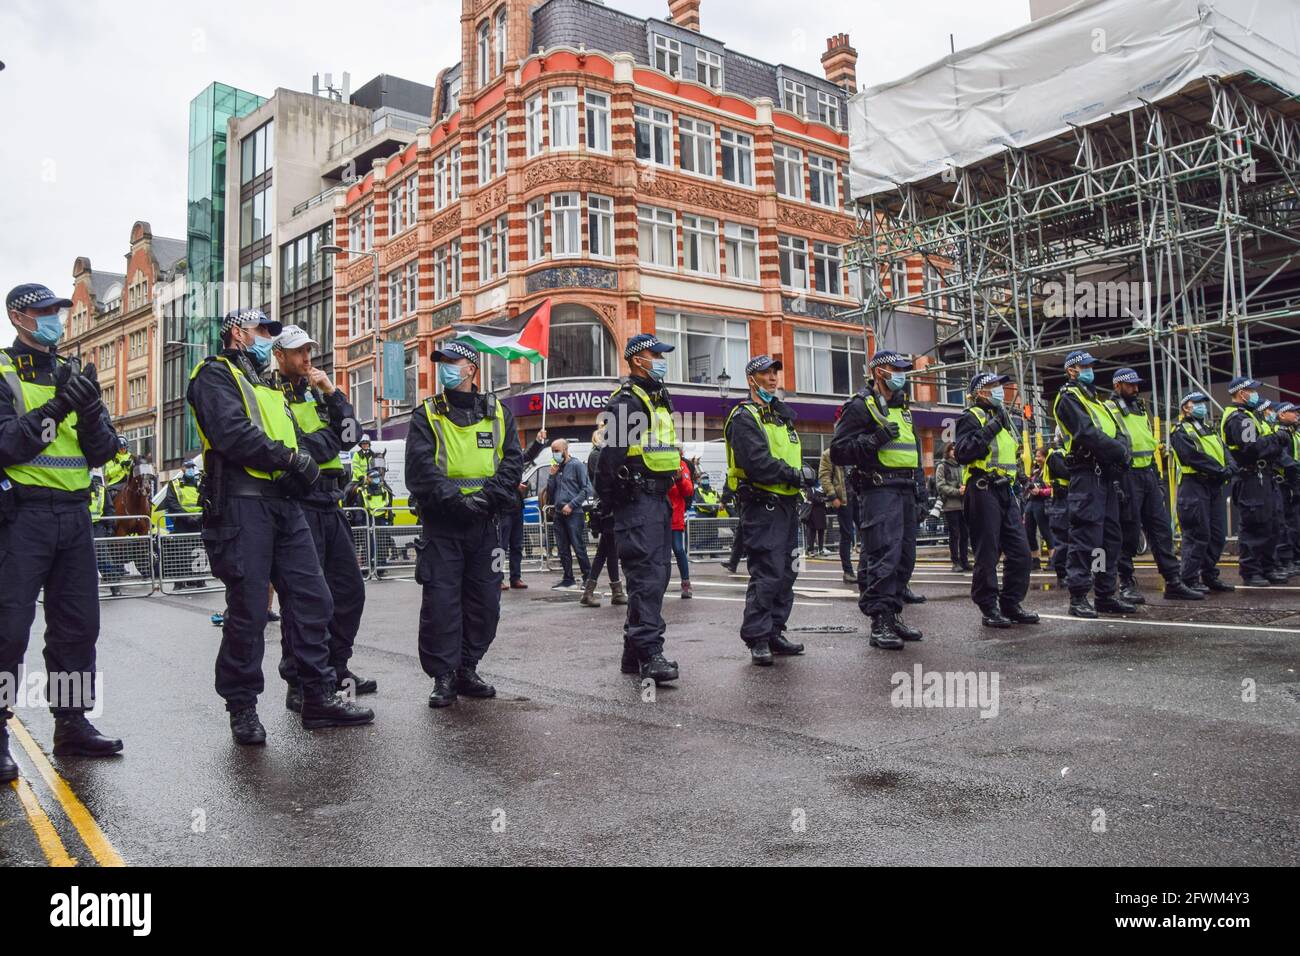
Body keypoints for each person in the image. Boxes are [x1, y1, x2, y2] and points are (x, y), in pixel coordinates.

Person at [188, 308, 373, 744]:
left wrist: (297, 461)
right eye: (263, 332)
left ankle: (318, 695)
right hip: (242, 502)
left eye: (275, 333)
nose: (269, 339)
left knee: (315, 599)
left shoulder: (265, 384)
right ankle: (243, 707)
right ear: (237, 333)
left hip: (286, 502)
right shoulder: (214, 374)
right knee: (250, 612)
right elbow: (232, 433)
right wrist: (293, 460)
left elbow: (332, 435)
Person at [1, 283, 125, 776]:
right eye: (45, 311)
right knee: (7, 630)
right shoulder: (3, 372)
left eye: (59, 311)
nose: (56, 318)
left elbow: (102, 451)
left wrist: (90, 407)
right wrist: (57, 408)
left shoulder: (73, 373)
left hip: (74, 516)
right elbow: (8, 442)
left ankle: (71, 724)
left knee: (77, 630)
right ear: (18, 318)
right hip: (22, 517)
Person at [406, 338, 523, 708]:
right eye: (441, 362)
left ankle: (467, 667)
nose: (445, 367)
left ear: (471, 368)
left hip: (486, 526)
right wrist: (457, 502)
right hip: (443, 525)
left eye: (452, 361)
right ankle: (443, 676)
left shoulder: (500, 413)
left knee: (485, 602)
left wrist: (487, 499)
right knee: (441, 602)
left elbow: (511, 464)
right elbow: (421, 470)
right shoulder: (427, 414)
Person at [268, 325, 375, 712]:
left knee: (349, 592)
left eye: (309, 350)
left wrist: (334, 394)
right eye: (298, 351)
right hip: (299, 501)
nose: (307, 357)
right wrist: (332, 436)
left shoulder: (316, 391)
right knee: (305, 600)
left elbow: (350, 434)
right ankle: (300, 681)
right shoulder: (271, 393)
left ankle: (335, 669)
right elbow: (302, 445)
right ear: (279, 355)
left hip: (330, 501)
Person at [592, 333, 682, 684]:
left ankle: (634, 652)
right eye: (653, 354)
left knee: (654, 576)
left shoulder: (656, 399)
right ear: (635, 359)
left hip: (656, 499)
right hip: (637, 501)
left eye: (661, 354)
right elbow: (610, 459)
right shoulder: (629, 401)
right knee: (647, 577)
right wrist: (611, 500)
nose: (660, 359)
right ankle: (649, 654)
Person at [830, 350, 926, 650]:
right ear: (878, 372)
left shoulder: (904, 407)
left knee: (905, 557)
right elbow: (838, 451)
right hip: (879, 489)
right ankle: (880, 621)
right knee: (884, 555)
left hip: (905, 488)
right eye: (895, 368)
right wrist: (874, 440)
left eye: (903, 368)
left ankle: (894, 613)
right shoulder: (860, 406)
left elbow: (914, 453)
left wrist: (921, 491)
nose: (901, 373)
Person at [724, 355, 814, 664]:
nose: (773, 378)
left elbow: (788, 455)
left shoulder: (781, 416)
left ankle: (775, 630)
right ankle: (758, 637)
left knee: (787, 572)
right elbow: (757, 463)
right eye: (766, 373)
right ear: (752, 379)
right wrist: (795, 475)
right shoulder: (744, 416)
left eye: (776, 371)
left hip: (787, 505)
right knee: (767, 572)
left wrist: (803, 478)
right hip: (763, 506)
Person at [1106, 368, 1203, 602]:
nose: (1136, 389)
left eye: (1137, 385)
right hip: (1126, 475)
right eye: (1130, 385)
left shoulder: (1140, 408)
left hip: (1147, 474)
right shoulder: (1109, 409)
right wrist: (1117, 482)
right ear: (1117, 385)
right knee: (1129, 532)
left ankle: (1173, 581)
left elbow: (1148, 443)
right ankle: (1126, 584)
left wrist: (1157, 477)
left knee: (1161, 530)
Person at [1052, 350, 1134, 618]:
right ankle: (1078, 597)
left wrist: (1122, 451)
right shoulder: (1068, 398)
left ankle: (1105, 594)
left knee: (1109, 538)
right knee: (1086, 536)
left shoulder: (1097, 401)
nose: (1090, 370)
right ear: (1072, 370)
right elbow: (1087, 434)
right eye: (1084, 366)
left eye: (1090, 366)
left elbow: (1119, 432)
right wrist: (1119, 452)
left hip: (1107, 476)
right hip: (1087, 474)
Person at [953, 372, 1038, 628]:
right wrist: (992, 427)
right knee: (987, 552)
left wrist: (1023, 479)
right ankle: (989, 606)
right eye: (993, 386)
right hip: (982, 489)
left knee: (1021, 552)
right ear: (980, 392)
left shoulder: (1004, 419)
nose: (999, 390)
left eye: (1000, 385)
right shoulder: (971, 417)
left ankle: (1011, 603)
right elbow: (963, 453)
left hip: (1005, 491)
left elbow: (1009, 457)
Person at [1220, 376, 1296, 585]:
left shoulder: (1251, 417)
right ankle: (1251, 570)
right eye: (1251, 390)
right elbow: (1253, 449)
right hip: (1250, 477)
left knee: (1272, 522)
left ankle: (1267, 566)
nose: (1255, 394)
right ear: (1241, 393)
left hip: (1264, 476)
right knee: (1255, 524)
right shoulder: (1239, 418)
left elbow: (1266, 447)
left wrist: (1272, 444)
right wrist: (1276, 439)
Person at [1169, 391, 1235, 594]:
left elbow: (1224, 450)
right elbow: (1192, 457)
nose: (1201, 407)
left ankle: (1209, 574)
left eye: (1202, 403)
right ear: (1185, 407)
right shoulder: (1179, 431)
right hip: (1194, 485)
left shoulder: (1209, 428)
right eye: (1196, 403)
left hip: (1213, 485)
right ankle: (1189, 578)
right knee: (1197, 534)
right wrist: (1219, 470)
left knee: (1217, 534)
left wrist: (1230, 467)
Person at [581, 426, 625, 608]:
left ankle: (613, 590)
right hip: (606, 506)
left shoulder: (598, 454)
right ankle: (600, 591)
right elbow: (603, 480)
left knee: (607, 550)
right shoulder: (597, 455)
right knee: (607, 550)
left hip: (608, 505)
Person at [500, 427, 546, 591]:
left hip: (517, 507)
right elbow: (497, 480)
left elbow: (528, 456)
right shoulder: (497, 458)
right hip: (502, 508)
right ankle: (497, 578)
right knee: (500, 546)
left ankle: (516, 577)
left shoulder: (515, 458)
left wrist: (539, 441)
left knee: (517, 545)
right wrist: (514, 485)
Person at [546, 438, 593, 590]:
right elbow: (551, 493)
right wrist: (551, 476)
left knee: (578, 547)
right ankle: (568, 579)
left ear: (565, 450)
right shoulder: (556, 468)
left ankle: (588, 577)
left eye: (557, 451)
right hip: (559, 513)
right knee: (562, 548)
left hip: (574, 513)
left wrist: (572, 505)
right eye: (553, 451)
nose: (555, 454)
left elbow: (587, 489)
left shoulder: (577, 465)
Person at [160, 457, 205, 588]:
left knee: (199, 551)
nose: (191, 470)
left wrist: (200, 516)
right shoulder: (174, 484)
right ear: (182, 469)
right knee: (180, 553)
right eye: (188, 467)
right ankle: (179, 582)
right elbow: (171, 502)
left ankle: (199, 580)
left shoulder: (201, 483)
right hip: (182, 523)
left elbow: (207, 499)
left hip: (198, 522)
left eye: (192, 467)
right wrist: (187, 517)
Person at [818, 446, 857, 584]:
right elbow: (824, 476)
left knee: (868, 532)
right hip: (843, 500)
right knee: (846, 535)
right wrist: (833, 496)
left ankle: (867, 569)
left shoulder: (854, 449)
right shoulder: (829, 453)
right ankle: (848, 572)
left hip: (860, 497)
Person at [934, 442, 968, 573]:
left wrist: (965, 487)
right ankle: (955, 561)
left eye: (956, 449)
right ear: (947, 451)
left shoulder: (962, 465)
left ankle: (964, 560)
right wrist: (957, 491)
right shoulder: (942, 466)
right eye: (952, 450)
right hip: (950, 505)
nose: (954, 452)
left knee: (965, 534)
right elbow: (940, 486)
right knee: (955, 534)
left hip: (963, 505)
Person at [1275, 403, 1300, 576]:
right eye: (1292, 411)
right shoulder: (1279, 433)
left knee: (1294, 523)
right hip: (1283, 482)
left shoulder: (1293, 433)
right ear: (1282, 415)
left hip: (1294, 480)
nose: (1296, 414)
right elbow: (1285, 459)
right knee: (1285, 523)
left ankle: (1294, 557)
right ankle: (1285, 560)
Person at [1043, 441, 1071, 584]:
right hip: (1062, 498)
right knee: (1062, 537)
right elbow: (1066, 473)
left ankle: (1070, 571)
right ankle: (1062, 574)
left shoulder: (1063, 453)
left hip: (1070, 497)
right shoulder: (1056, 455)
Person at [1022, 448, 1054, 570]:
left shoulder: (1050, 470)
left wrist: (1040, 491)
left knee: (1046, 531)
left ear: (1045, 458)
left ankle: (1053, 559)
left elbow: (1052, 489)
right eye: (1036, 456)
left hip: (1042, 503)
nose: (1037, 458)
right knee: (1029, 532)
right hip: (1031, 502)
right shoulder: (1036, 472)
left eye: (1039, 456)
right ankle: (1035, 559)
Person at [667, 455, 694, 598]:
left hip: (675, 516)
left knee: (678, 549)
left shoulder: (681, 464)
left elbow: (688, 490)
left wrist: (678, 479)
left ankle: (686, 583)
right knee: (660, 554)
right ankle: (659, 584)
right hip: (659, 516)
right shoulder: (656, 462)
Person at [362, 467, 395, 576]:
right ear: (369, 478)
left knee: (382, 543)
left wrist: (389, 517)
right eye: (374, 478)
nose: (376, 479)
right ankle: (369, 566)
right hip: (369, 519)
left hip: (381, 519)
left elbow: (387, 503)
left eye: (377, 477)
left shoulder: (383, 489)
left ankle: (381, 566)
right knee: (369, 543)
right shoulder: (363, 491)